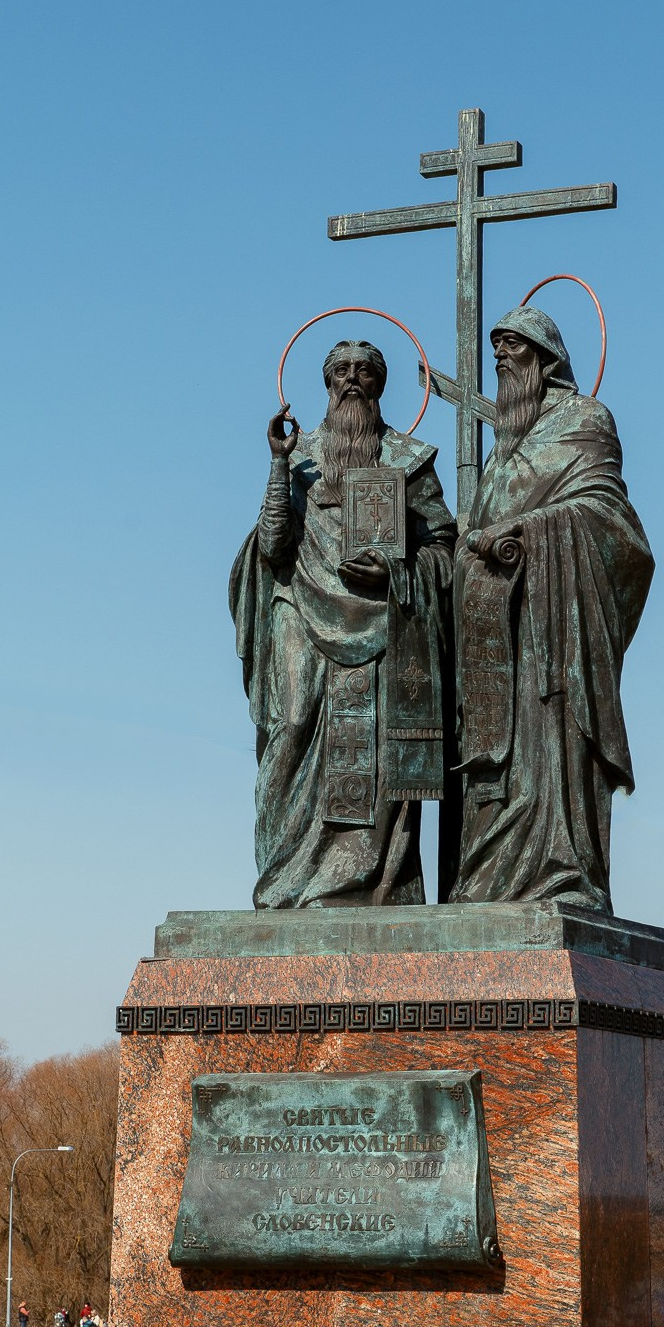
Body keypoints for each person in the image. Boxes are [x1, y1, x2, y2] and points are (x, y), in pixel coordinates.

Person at [230, 340, 456, 907]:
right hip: (299, 612)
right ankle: (283, 884)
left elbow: (445, 549)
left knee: (374, 749)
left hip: (381, 621)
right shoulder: (298, 455)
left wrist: (399, 569)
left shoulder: (409, 460)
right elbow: (274, 545)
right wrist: (279, 464)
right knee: (291, 729)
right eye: (341, 372)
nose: (352, 381)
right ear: (327, 384)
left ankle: (361, 887)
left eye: (365, 372)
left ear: (380, 385)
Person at [451, 307, 653, 913]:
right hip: (497, 634)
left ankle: (563, 872)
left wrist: (530, 532)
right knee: (499, 765)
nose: (502, 361)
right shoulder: (502, 449)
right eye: (498, 353)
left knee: (554, 752)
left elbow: (608, 518)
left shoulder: (587, 421)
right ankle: (488, 880)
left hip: (558, 623)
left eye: (513, 350)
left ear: (545, 358)